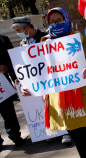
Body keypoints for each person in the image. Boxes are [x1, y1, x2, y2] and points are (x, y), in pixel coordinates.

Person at [21, 7, 86, 158]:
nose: (56, 24)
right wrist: (28, 87)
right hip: (64, 108)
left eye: (59, 20)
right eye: (52, 22)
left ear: (67, 20)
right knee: (84, 151)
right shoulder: (42, 46)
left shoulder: (82, 41)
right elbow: (38, 75)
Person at [12, 16, 72, 144]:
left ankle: (66, 132)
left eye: (19, 30)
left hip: (53, 77)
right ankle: (53, 131)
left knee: (58, 103)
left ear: (27, 28)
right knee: (46, 106)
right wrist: (21, 77)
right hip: (38, 79)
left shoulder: (46, 37)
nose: (18, 33)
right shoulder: (23, 43)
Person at [0, 35, 25, 151]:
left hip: (3, 84)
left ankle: (15, 136)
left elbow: (11, 59)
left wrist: (17, 80)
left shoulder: (3, 39)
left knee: (8, 112)